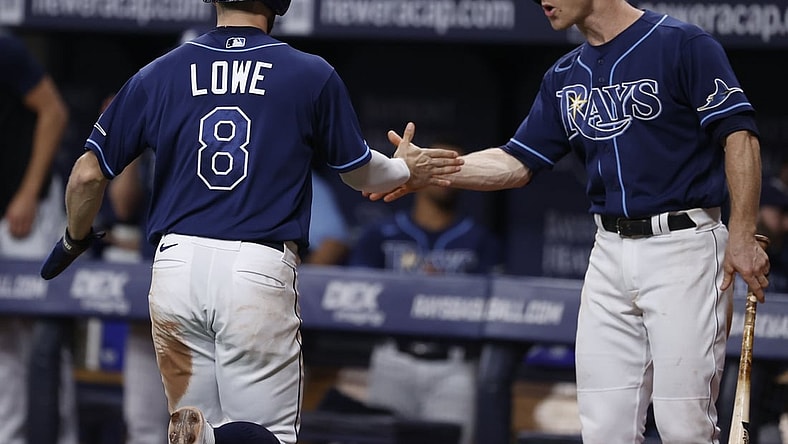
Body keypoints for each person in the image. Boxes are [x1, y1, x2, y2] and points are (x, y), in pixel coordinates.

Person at [38, 1, 462, 444]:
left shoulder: (160, 71)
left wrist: (73, 238)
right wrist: (404, 169)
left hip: (175, 268)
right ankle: (213, 440)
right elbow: (359, 173)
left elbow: (88, 174)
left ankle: (205, 438)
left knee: (194, 417)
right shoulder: (309, 73)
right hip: (255, 270)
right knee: (270, 437)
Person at [372, 1, 771, 442]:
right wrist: (432, 169)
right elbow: (516, 161)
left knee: (684, 428)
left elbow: (739, 136)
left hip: (685, 244)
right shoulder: (565, 74)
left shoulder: (682, 44)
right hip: (609, 249)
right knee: (603, 430)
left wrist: (741, 234)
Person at [347, 141, 502, 444]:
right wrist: (410, 288)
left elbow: (494, 304)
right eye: (435, 164)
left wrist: (446, 289)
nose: (444, 174)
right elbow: (355, 290)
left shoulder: (480, 239)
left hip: (453, 365)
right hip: (394, 358)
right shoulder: (382, 233)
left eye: (453, 165)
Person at [0, 30, 79, 444]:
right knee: (4, 341)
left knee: (42, 334)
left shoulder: (4, 47)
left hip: (28, 205)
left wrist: (28, 193)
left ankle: (60, 437)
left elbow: (54, 112)